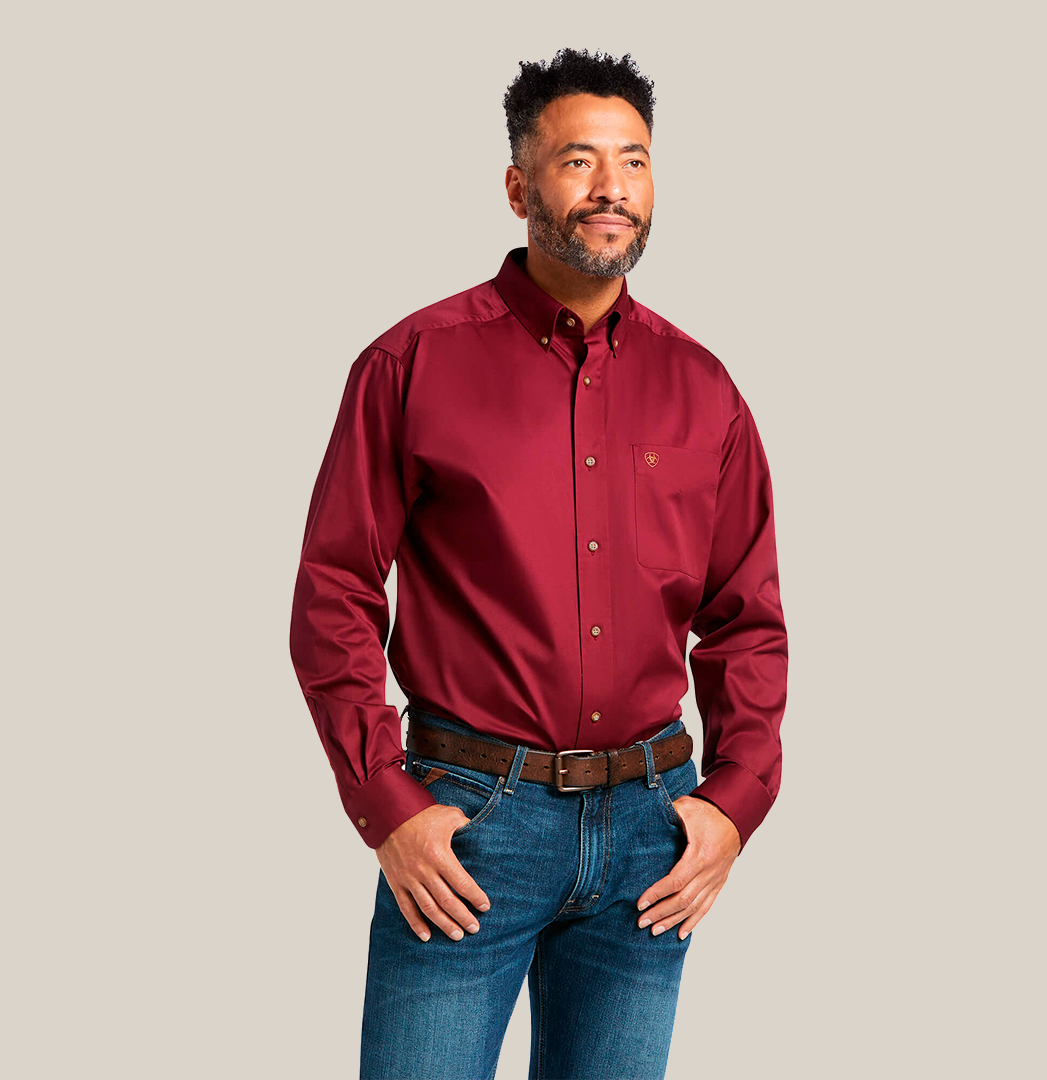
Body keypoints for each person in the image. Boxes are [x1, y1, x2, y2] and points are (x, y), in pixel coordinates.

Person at [289, 46, 788, 1080]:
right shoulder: (412, 364)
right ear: (519, 186)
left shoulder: (706, 390)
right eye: (578, 160)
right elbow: (335, 588)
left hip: (654, 834)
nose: (612, 187)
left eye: (635, 161)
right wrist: (387, 801)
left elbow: (747, 620)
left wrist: (734, 801)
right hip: (470, 830)